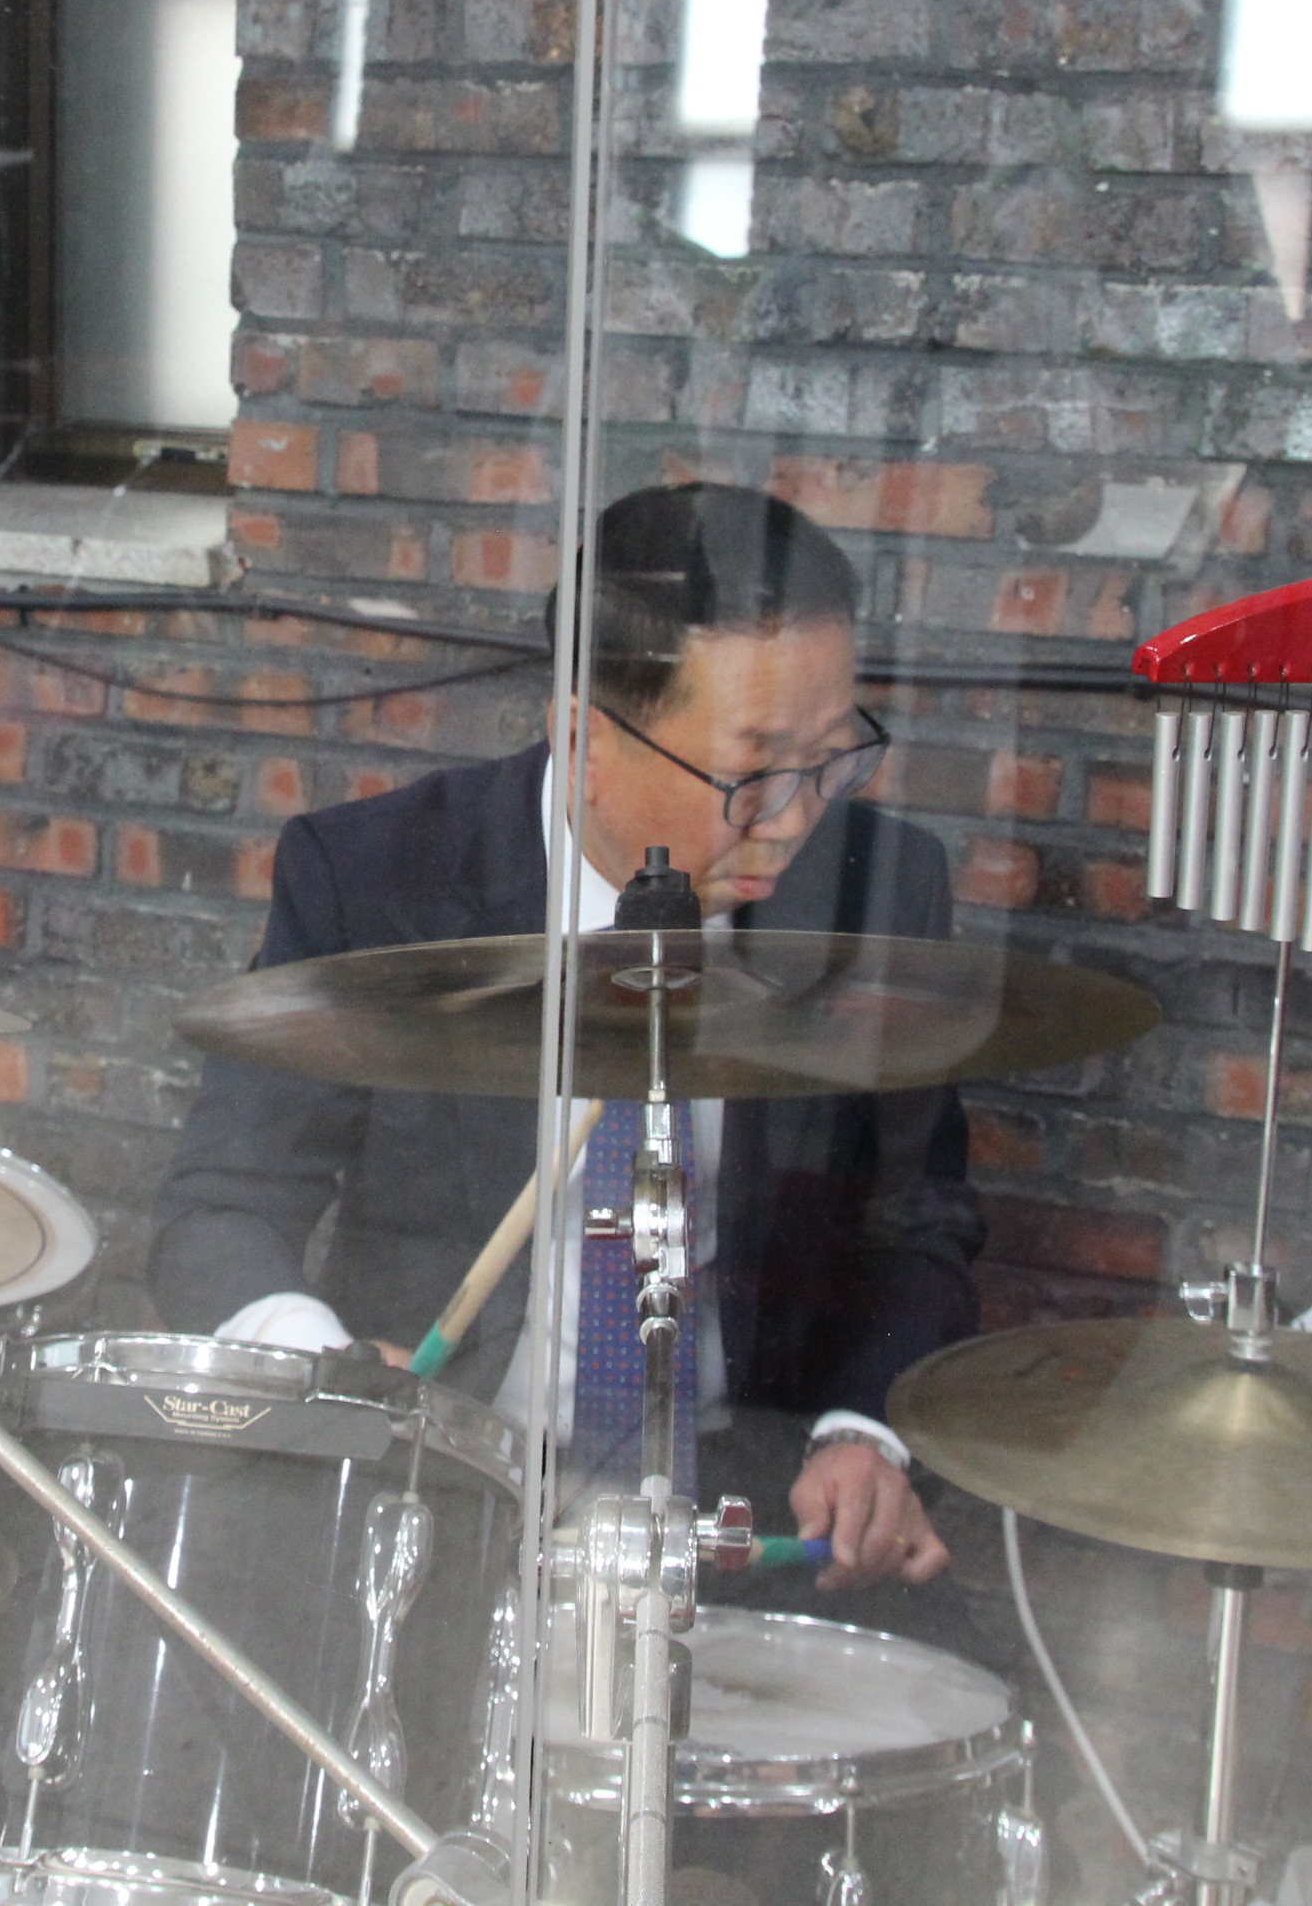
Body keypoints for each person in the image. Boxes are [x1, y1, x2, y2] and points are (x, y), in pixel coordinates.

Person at [150, 482, 983, 1592]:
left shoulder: (877, 887)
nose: (794, 817)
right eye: (751, 772)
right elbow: (221, 1207)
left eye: (832, 756)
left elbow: (918, 1217)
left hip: (748, 1502)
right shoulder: (379, 881)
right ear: (583, 735)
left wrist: (861, 1429)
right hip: (438, 1484)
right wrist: (330, 1371)